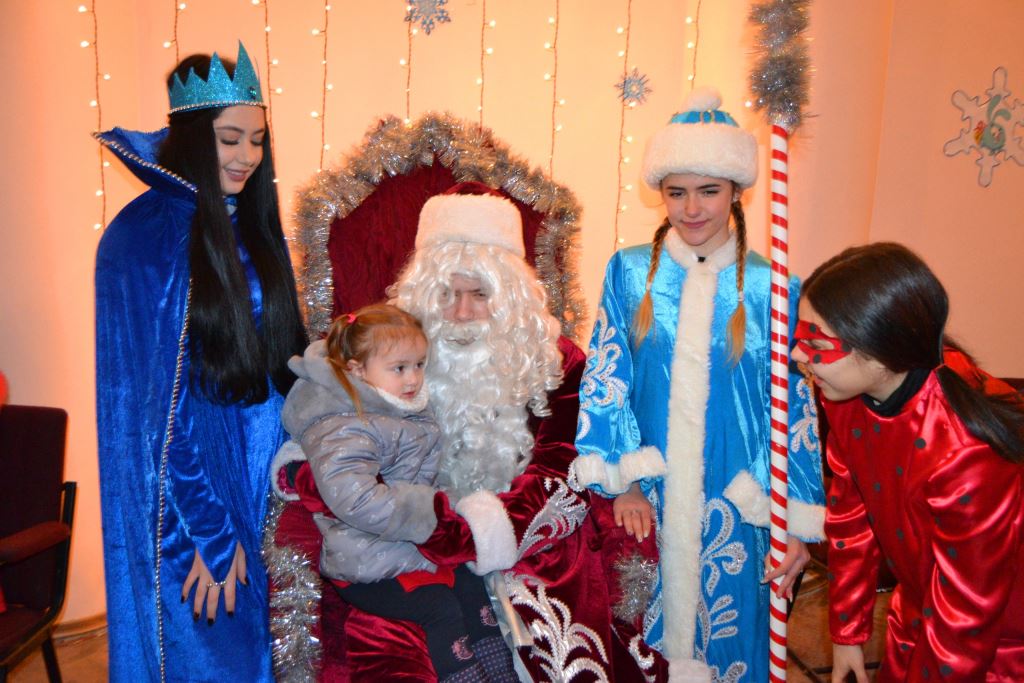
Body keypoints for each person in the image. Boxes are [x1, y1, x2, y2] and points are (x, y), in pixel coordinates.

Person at [272, 182, 661, 681]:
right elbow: (325, 423)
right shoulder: (388, 347)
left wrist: (474, 531)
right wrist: (318, 479)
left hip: (523, 544)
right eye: (446, 294)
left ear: (511, 296)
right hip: (398, 545)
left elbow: (564, 473)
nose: (460, 313)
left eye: (479, 295)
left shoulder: (555, 361)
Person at [571, 87, 826, 681]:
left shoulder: (772, 287)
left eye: (708, 191)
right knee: (645, 640)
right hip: (652, 496)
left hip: (736, 499)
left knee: (732, 643)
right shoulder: (630, 272)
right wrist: (624, 480)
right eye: (676, 192)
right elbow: (607, 374)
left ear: (736, 191)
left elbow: (796, 408)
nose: (691, 209)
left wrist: (794, 518)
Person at [95, 43, 306, 681]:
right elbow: (153, 408)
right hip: (194, 494)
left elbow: (280, 356)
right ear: (191, 138)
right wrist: (209, 533)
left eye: (258, 141)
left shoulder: (251, 225)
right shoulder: (146, 238)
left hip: (268, 475)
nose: (247, 156)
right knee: (218, 654)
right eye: (229, 139)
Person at [792, 242, 1024, 683]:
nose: (798, 356)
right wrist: (847, 632)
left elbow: (965, 617)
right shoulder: (846, 398)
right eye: (800, 338)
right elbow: (851, 517)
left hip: (995, 644)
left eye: (816, 343)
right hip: (917, 613)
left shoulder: (966, 452)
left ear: (881, 350)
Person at [280, 303, 514, 682]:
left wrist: (449, 508)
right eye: (399, 368)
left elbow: (418, 477)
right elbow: (354, 498)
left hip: (403, 548)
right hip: (365, 562)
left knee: (471, 583)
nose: (413, 378)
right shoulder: (343, 423)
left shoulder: (395, 407)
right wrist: (427, 514)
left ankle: (502, 674)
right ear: (357, 369)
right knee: (439, 607)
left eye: (419, 365)